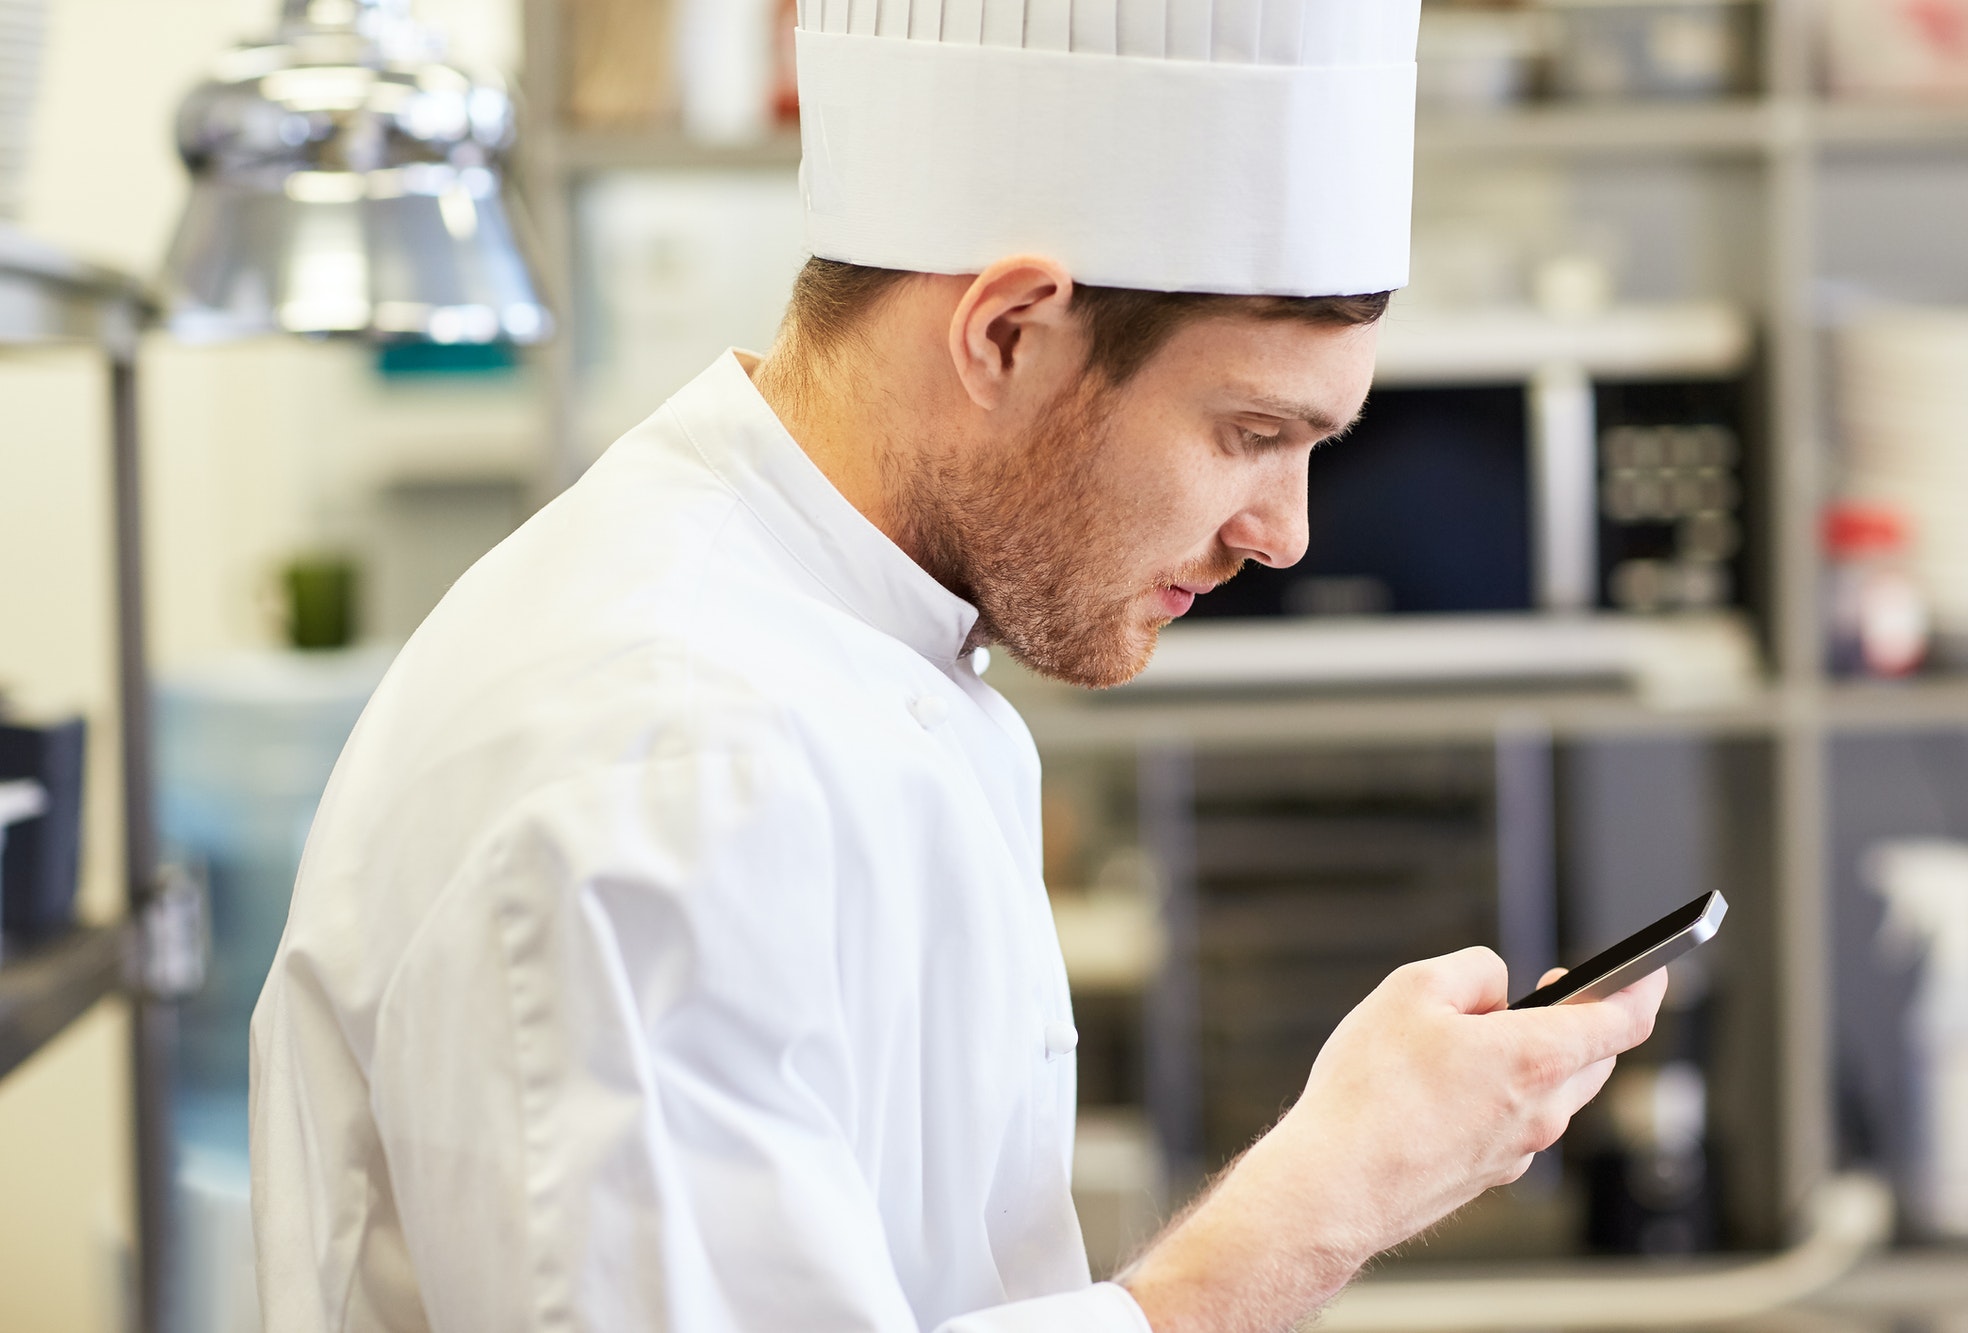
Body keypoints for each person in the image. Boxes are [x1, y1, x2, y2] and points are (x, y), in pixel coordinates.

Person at [249, 3, 1667, 1331]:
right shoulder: (659, 764)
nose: (1285, 534)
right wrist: (1322, 1203)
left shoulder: (854, 648)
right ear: (1006, 332)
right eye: (1249, 433)